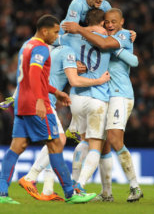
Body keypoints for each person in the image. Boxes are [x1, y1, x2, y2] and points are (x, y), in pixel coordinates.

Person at [0, 15, 96, 204]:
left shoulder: (27, 45)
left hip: (21, 102)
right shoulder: (41, 48)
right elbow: (35, 73)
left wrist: (56, 92)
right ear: (44, 31)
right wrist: (39, 101)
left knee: (17, 147)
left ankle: (2, 193)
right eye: (54, 32)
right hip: (36, 103)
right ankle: (70, 192)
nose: (56, 35)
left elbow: (33, 77)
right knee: (55, 144)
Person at [63, 8, 143, 202]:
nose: (110, 25)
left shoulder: (123, 35)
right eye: (107, 21)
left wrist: (80, 30)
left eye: (114, 21)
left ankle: (135, 186)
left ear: (122, 21)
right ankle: (106, 193)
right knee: (104, 145)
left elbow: (133, 60)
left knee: (115, 140)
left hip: (120, 94)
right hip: (106, 94)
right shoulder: (103, 35)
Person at [18, 43, 110, 201]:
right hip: (43, 101)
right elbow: (74, 81)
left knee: (53, 143)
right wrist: (99, 80)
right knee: (59, 140)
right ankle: (30, 177)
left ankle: (47, 190)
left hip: (40, 99)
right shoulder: (66, 51)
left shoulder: (49, 52)